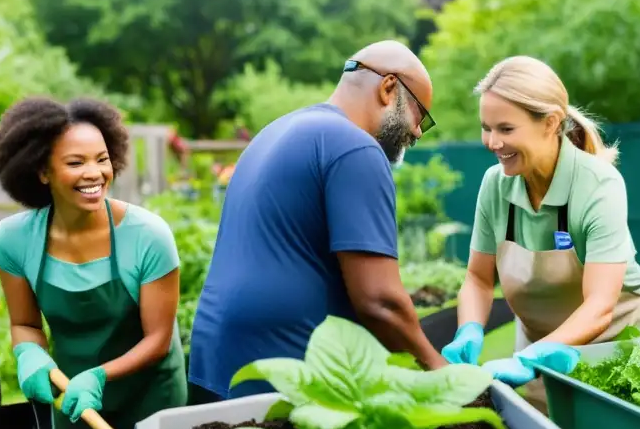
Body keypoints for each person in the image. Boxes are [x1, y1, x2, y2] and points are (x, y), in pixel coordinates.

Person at [189, 40, 447, 403]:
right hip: (283, 370)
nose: (419, 131)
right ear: (389, 88)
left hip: (217, 355)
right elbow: (380, 302)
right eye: (421, 115)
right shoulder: (355, 147)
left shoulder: (276, 131)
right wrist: (441, 375)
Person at [0, 97, 185, 429]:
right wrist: (29, 353)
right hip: (74, 397)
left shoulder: (147, 236)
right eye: (75, 162)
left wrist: (100, 375)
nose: (94, 173)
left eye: (101, 159)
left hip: (149, 388)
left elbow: (158, 339)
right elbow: (24, 323)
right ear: (42, 171)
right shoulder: (15, 240)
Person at [442, 55, 640, 410]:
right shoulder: (495, 185)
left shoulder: (598, 184)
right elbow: (478, 278)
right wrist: (469, 328)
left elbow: (599, 306)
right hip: (539, 351)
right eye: (486, 127)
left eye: (506, 129)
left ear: (549, 123)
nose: (491, 142)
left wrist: (529, 358)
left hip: (619, 343)